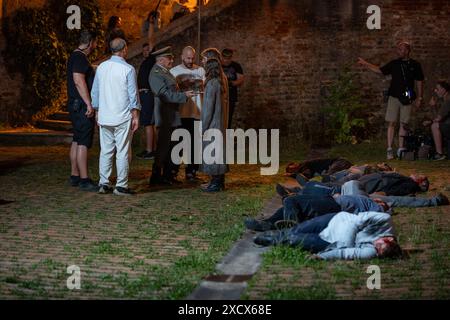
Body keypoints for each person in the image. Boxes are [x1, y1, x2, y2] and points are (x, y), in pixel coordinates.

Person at [358, 41, 424, 160]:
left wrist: (419, 97)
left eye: (402, 49)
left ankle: (400, 149)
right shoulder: (394, 64)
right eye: (398, 49)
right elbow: (380, 70)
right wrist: (365, 64)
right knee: (391, 122)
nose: (400, 51)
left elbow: (419, 81)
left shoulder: (415, 64)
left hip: (408, 98)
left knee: (404, 123)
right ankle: (389, 149)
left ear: (408, 50)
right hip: (394, 97)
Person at [91, 38, 141, 196]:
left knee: (105, 151)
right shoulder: (128, 69)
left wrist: (97, 111)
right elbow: (133, 95)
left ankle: (104, 183)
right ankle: (121, 185)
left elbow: (95, 92)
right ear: (124, 49)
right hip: (122, 116)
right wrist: (136, 115)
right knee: (123, 151)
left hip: (105, 115)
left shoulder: (101, 67)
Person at [254, 211, 402, 261]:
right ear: (388, 238)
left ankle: (270, 239)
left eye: (377, 249)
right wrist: (347, 242)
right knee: (297, 229)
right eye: (379, 244)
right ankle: (269, 228)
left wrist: (322, 257)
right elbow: (355, 222)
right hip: (337, 219)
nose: (374, 245)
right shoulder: (384, 220)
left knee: (295, 240)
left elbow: (345, 253)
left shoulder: (372, 252)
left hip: (329, 241)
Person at [149, 46, 195, 186]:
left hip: (171, 116)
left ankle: (168, 175)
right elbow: (165, 95)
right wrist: (183, 96)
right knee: (163, 147)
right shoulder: (156, 73)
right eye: (169, 58)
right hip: (165, 117)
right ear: (161, 60)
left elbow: (172, 89)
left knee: (171, 146)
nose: (172, 60)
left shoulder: (165, 72)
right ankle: (157, 177)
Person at [66, 30, 98, 192]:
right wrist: (89, 104)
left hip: (74, 105)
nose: (96, 46)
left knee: (77, 140)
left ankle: (75, 175)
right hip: (81, 106)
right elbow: (78, 80)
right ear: (90, 42)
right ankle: (84, 179)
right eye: (95, 42)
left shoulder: (75, 56)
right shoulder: (79, 57)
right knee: (84, 142)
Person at [170, 46, 205, 181]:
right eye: (188, 58)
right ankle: (173, 171)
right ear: (182, 56)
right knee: (179, 143)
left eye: (192, 58)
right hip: (181, 112)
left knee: (195, 144)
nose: (190, 61)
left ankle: (191, 172)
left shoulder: (200, 70)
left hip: (196, 112)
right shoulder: (174, 71)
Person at [199, 58, 229, 192]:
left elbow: (208, 108)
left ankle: (217, 183)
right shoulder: (218, 83)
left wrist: (203, 127)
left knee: (213, 153)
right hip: (218, 123)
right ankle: (215, 181)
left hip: (212, 124)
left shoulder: (212, 84)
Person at [136, 42, 157, 160]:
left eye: (148, 50)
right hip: (143, 94)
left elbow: (151, 38)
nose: (145, 52)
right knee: (147, 123)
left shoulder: (151, 60)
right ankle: (150, 149)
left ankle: (150, 151)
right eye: (143, 50)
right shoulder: (145, 62)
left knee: (148, 123)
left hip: (147, 94)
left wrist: (150, 24)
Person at [423, 81, 450, 160]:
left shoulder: (448, 101)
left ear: (444, 89)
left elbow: (438, 118)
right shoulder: (445, 100)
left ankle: (439, 153)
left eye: (437, 89)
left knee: (435, 126)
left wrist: (433, 106)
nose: (435, 91)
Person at [221, 48, 244, 128]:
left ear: (231, 57)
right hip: (219, 96)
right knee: (218, 118)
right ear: (221, 56)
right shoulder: (217, 66)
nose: (226, 60)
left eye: (228, 58)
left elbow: (240, 80)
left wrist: (229, 83)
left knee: (228, 118)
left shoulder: (236, 66)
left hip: (231, 97)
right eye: (224, 58)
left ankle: (226, 138)